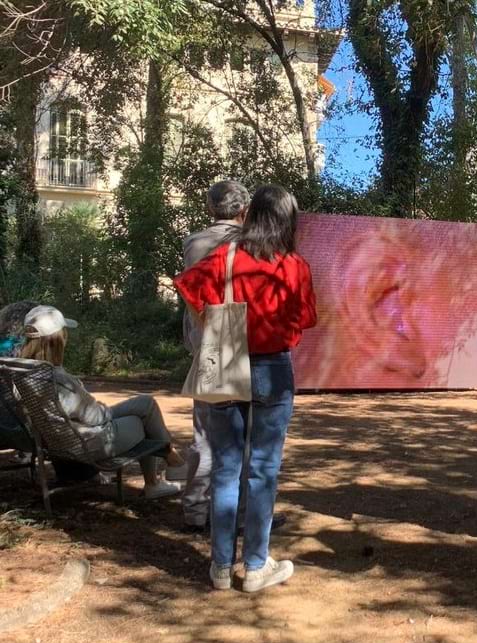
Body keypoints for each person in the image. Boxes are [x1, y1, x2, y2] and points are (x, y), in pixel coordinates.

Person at [175, 185, 317, 592]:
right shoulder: (294, 265)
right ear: (289, 220)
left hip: (225, 361)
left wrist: (210, 328)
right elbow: (306, 318)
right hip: (273, 368)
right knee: (263, 469)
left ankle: (220, 567)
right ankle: (255, 567)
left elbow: (187, 287)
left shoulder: (226, 256)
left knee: (225, 466)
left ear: (251, 215)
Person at [19, 305, 183, 498]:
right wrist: (107, 410)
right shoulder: (57, 379)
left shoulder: (21, 374)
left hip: (56, 440)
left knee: (145, 405)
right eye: (64, 333)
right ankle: (166, 471)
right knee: (143, 417)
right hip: (89, 443)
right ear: (57, 339)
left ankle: (172, 464)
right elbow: (96, 417)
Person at [180, 180, 250, 533]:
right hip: (241, 342)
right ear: (244, 211)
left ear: (211, 209)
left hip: (207, 341)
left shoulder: (194, 243)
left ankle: (195, 510)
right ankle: (239, 515)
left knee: (205, 432)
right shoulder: (252, 244)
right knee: (245, 435)